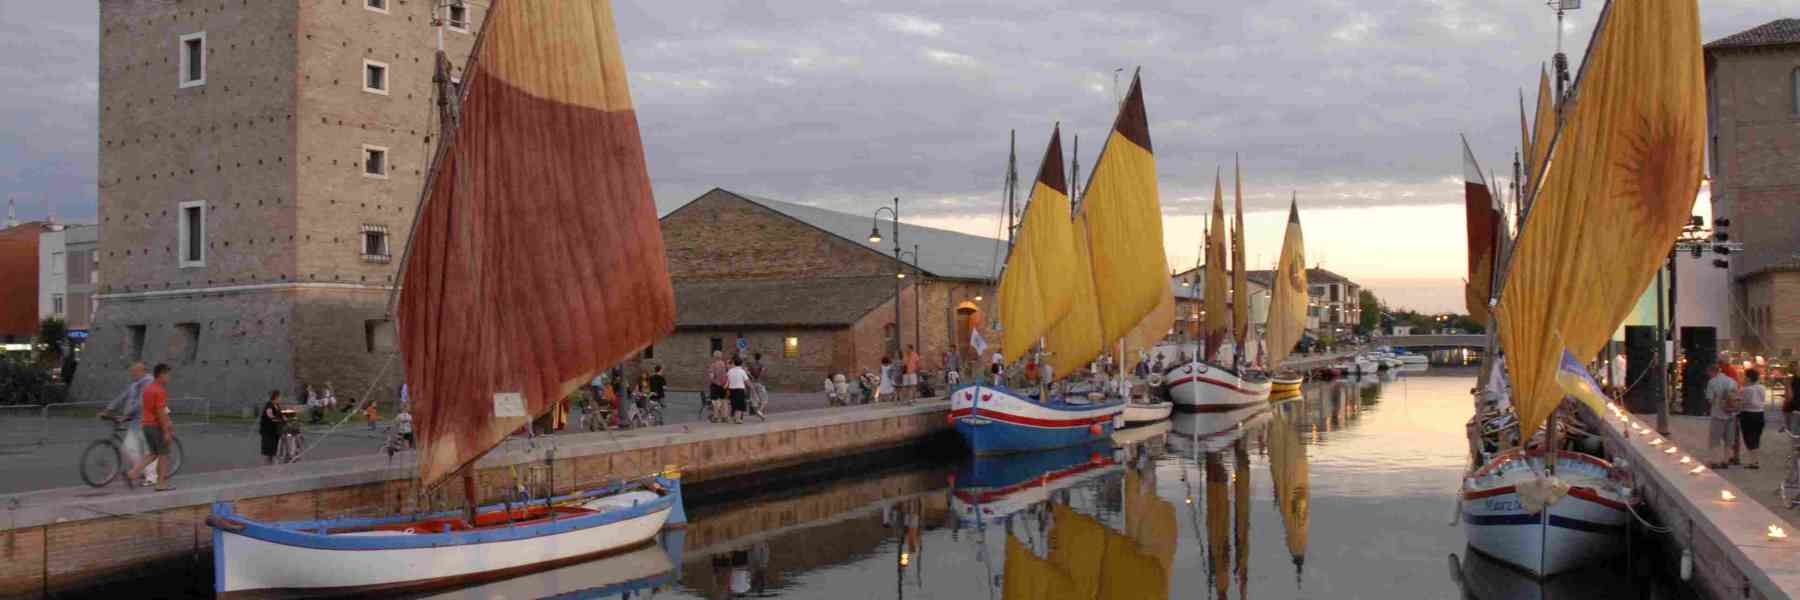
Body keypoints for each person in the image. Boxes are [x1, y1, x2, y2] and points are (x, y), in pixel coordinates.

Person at [98, 362, 152, 482]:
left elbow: (141, 402)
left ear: (143, 371)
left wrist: (126, 415)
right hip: (135, 420)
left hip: (147, 419)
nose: (133, 374)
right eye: (132, 372)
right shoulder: (134, 385)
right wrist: (108, 409)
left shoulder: (148, 383)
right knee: (129, 448)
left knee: (148, 450)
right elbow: (122, 397)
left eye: (135, 372)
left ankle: (150, 475)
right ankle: (140, 471)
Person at [128, 364, 176, 491]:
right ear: (161, 375)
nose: (169, 378)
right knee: (163, 455)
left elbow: (149, 408)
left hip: (146, 425)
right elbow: (160, 412)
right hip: (156, 426)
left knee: (153, 454)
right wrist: (166, 430)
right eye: (168, 374)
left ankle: (132, 473)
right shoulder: (159, 391)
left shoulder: (148, 389)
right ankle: (161, 483)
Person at [1705, 363, 1741, 469]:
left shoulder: (1712, 382)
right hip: (1731, 414)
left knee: (1715, 439)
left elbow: (1710, 399)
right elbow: (1737, 397)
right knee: (1729, 439)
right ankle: (1726, 460)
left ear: (1712, 372)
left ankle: (1714, 461)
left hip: (1718, 414)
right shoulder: (1732, 381)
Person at [1740, 369, 1770, 469]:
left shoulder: (1746, 389)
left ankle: (1753, 461)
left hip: (1748, 414)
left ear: (1748, 378)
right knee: (1756, 437)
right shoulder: (1762, 387)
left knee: (1748, 438)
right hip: (1760, 413)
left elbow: (1743, 402)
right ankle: (1755, 460)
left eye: (1744, 376)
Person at [259, 390, 288, 465]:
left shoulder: (276, 405)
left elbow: (280, 414)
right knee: (268, 449)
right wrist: (280, 420)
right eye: (280, 397)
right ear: (276, 397)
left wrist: (284, 417)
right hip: (267, 430)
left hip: (275, 430)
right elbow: (270, 416)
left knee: (273, 449)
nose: (281, 398)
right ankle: (266, 465)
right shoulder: (269, 405)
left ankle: (270, 463)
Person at [726, 357, 751, 424]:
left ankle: (731, 418)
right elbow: (747, 381)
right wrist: (750, 386)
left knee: (733, 404)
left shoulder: (730, 371)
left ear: (734, 363)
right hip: (740, 389)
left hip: (732, 389)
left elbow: (727, 380)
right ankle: (738, 419)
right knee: (739, 405)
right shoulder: (742, 371)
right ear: (741, 363)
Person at [706, 351, 729, 423]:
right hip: (724, 385)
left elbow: (711, 376)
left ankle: (716, 417)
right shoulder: (725, 365)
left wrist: (716, 382)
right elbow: (727, 375)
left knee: (715, 401)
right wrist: (725, 384)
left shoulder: (713, 365)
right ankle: (724, 417)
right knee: (724, 401)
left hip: (715, 385)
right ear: (721, 356)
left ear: (714, 357)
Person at [749, 352, 769, 421]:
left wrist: (752, 378)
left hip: (753, 383)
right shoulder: (762, 364)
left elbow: (748, 373)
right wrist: (759, 378)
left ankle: (759, 413)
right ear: (760, 357)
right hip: (760, 383)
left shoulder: (751, 365)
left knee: (754, 399)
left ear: (754, 357)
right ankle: (759, 411)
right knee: (764, 399)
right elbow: (763, 372)